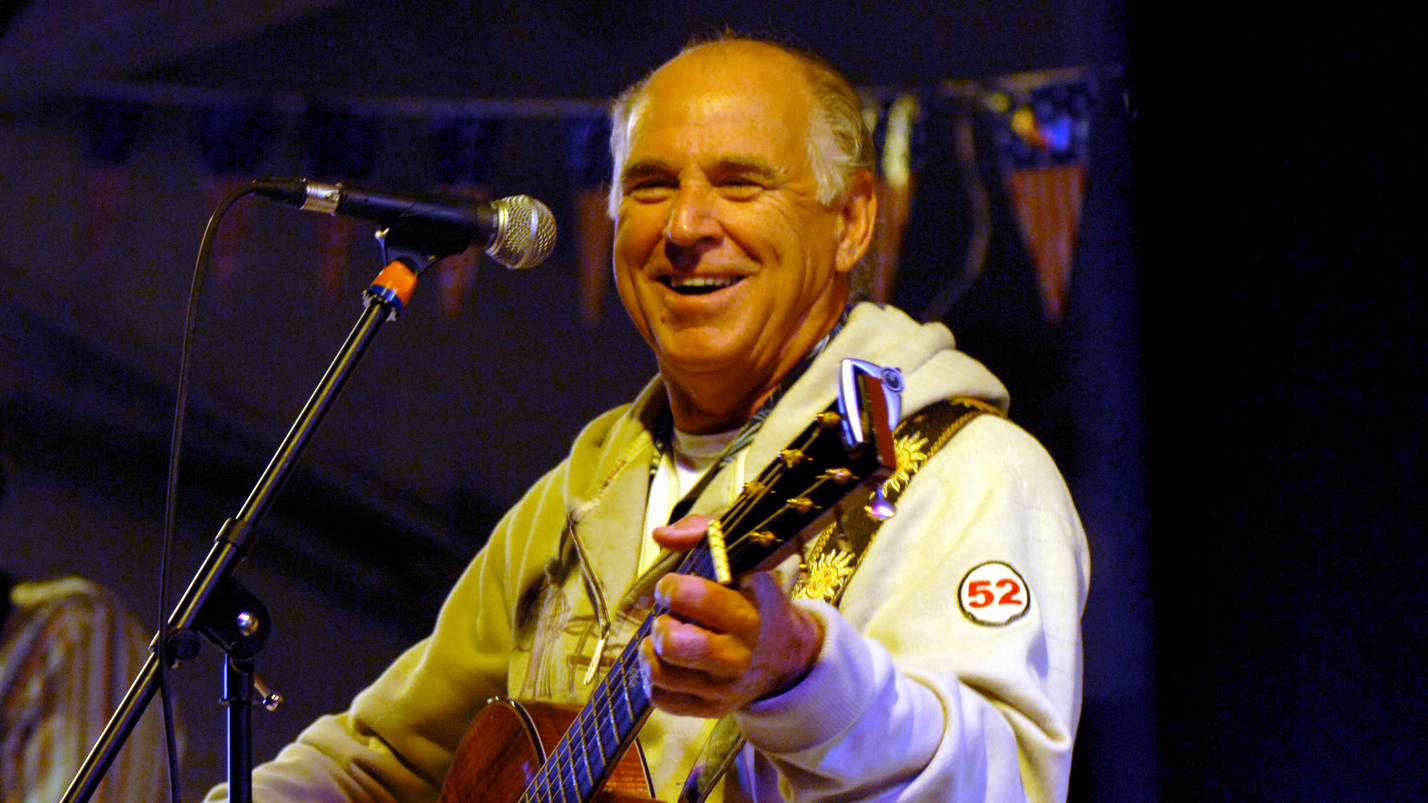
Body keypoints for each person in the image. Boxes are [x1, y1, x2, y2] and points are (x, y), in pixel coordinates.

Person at [205, 36, 1089, 803]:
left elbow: (999, 780)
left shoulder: (964, 470)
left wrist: (803, 675)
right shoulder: (577, 497)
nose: (688, 225)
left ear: (854, 220)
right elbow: (380, 762)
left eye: (741, 183)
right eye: (652, 186)